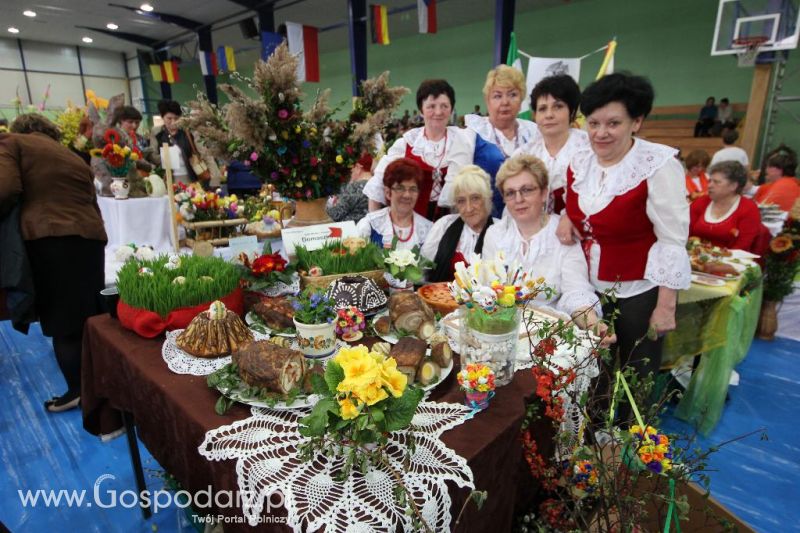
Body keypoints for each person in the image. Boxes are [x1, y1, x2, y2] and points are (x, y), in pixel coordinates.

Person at [557, 73, 690, 407]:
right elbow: (577, 206)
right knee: (592, 374)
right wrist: (565, 216)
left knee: (636, 378)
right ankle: (591, 445)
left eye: (613, 123)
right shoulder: (580, 162)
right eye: (594, 123)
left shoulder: (657, 166)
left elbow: (672, 240)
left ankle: (631, 450)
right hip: (590, 287)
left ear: (637, 122)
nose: (601, 133)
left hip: (638, 292)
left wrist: (665, 305)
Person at [1, 114, 107, 412]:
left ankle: (78, 391)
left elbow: (5, 188)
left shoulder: (12, 142)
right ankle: (103, 384)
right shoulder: (74, 156)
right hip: (90, 238)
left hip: (50, 238)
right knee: (88, 317)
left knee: (63, 323)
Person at [482, 154, 609, 335]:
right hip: (504, 330)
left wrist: (592, 324)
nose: (518, 199)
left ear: (543, 193)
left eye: (526, 190)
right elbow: (489, 291)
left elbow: (575, 290)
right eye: (510, 193)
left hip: (551, 334)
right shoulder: (495, 235)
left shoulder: (562, 233)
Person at [363, 79, 505, 219]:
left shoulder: (465, 140)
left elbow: (496, 161)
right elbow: (376, 186)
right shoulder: (406, 144)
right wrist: (375, 224)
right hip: (411, 228)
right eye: (431, 106)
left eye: (444, 106)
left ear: (451, 109)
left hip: (451, 227)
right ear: (421, 110)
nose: (438, 112)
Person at [513, 74, 590, 214]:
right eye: (542, 109)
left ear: (571, 111)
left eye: (558, 106)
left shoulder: (589, 149)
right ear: (535, 115)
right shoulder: (523, 155)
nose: (549, 115)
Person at [420, 165, 498, 281]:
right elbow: (423, 273)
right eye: (461, 201)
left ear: (487, 198)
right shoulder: (444, 226)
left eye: (475, 198)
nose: (468, 208)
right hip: (439, 297)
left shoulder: (500, 231)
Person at [465, 66, 539, 161]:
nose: (505, 102)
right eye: (497, 96)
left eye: (512, 95)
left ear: (521, 100)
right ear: (487, 101)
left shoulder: (534, 132)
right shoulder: (474, 132)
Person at [357, 158, 433, 249]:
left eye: (413, 189)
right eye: (400, 188)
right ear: (388, 192)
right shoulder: (369, 225)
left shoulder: (428, 231)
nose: (407, 195)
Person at [690, 161, 762, 252]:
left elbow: (742, 246)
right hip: (694, 258)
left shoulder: (748, 209)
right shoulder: (700, 202)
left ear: (733, 186)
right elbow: (685, 233)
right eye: (710, 181)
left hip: (730, 262)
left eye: (716, 182)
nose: (709, 185)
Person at [151, 99, 199, 185]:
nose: (173, 121)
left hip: (190, 177)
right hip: (168, 179)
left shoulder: (186, 132)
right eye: (169, 118)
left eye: (176, 118)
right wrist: (167, 158)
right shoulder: (157, 133)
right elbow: (153, 155)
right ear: (162, 117)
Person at [327, 153, 373, 222]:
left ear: (358, 167)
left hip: (352, 230)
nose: (351, 170)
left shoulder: (354, 188)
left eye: (353, 167)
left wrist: (330, 202)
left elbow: (336, 214)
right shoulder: (377, 185)